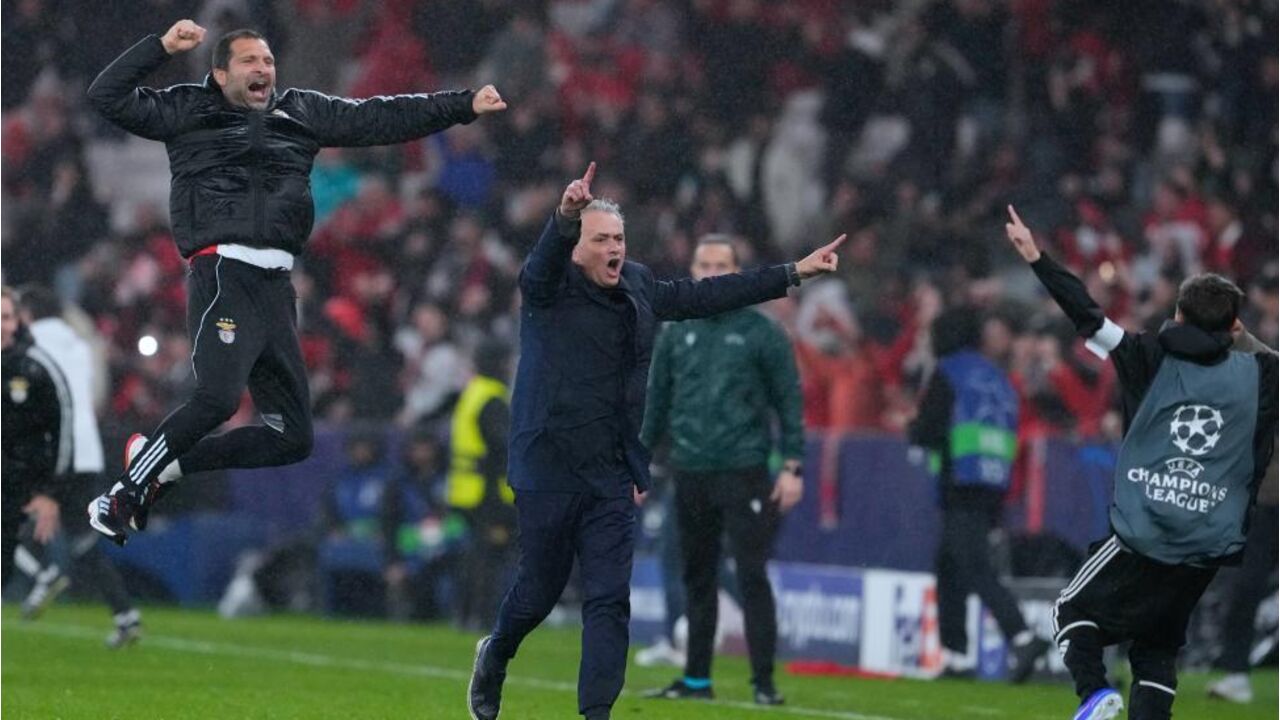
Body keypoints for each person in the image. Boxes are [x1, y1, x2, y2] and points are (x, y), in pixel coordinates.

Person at [83, 19, 507, 543]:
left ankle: (160, 464)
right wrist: (161, 48)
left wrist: (462, 105)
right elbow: (106, 95)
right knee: (217, 398)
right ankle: (123, 495)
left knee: (292, 438)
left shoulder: (300, 111)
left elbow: (381, 117)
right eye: (250, 62)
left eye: (268, 62)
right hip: (224, 272)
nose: (264, 69)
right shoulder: (187, 109)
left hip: (277, 285)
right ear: (218, 74)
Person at [466, 163, 846, 720]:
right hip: (548, 466)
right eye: (601, 240)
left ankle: (597, 714)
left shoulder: (639, 284)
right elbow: (543, 259)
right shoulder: (547, 286)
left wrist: (792, 272)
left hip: (610, 472)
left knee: (608, 601)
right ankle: (496, 653)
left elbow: (706, 295)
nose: (614, 248)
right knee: (539, 591)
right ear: (578, 247)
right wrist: (565, 217)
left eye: (619, 239)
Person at [1004, 206, 1278, 720]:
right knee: (1155, 646)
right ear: (1235, 326)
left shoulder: (1145, 357)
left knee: (1070, 611)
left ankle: (1094, 695)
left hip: (1146, 528)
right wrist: (1231, 331)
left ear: (1176, 317)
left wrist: (1039, 259)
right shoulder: (1263, 376)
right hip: (1207, 543)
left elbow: (1087, 315)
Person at [640, 234, 805, 705]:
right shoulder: (675, 331)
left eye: (721, 264)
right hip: (689, 470)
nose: (711, 272)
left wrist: (792, 466)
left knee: (752, 574)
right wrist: (639, 463)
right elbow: (658, 404)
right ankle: (696, 680)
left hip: (744, 470)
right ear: (691, 271)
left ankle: (764, 684)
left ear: (736, 272)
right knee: (697, 575)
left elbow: (788, 403)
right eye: (704, 264)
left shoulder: (763, 332)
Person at [909, 307, 1052, 682]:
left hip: (961, 479)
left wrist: (913, 429)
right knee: (949, 563)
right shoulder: (997, 376)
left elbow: (928, 428)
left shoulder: (949, 372)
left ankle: (1021, 636)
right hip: (994, 479)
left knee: (972, 564)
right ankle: (956, 657)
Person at [15, 286, 142, 646]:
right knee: (84, 542)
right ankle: (126, 617)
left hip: (51, 450)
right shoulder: (81, 346)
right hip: (86, 452)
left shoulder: (26, 344)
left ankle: (44, 573)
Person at [447, 338, 516, 630]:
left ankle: (463, 615)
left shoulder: (471, 393)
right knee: (488, 558)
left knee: (474, 556)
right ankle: (484, 617)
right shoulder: (491, 398)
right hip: (486, 492)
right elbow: (502, 444)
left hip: (464, 488)